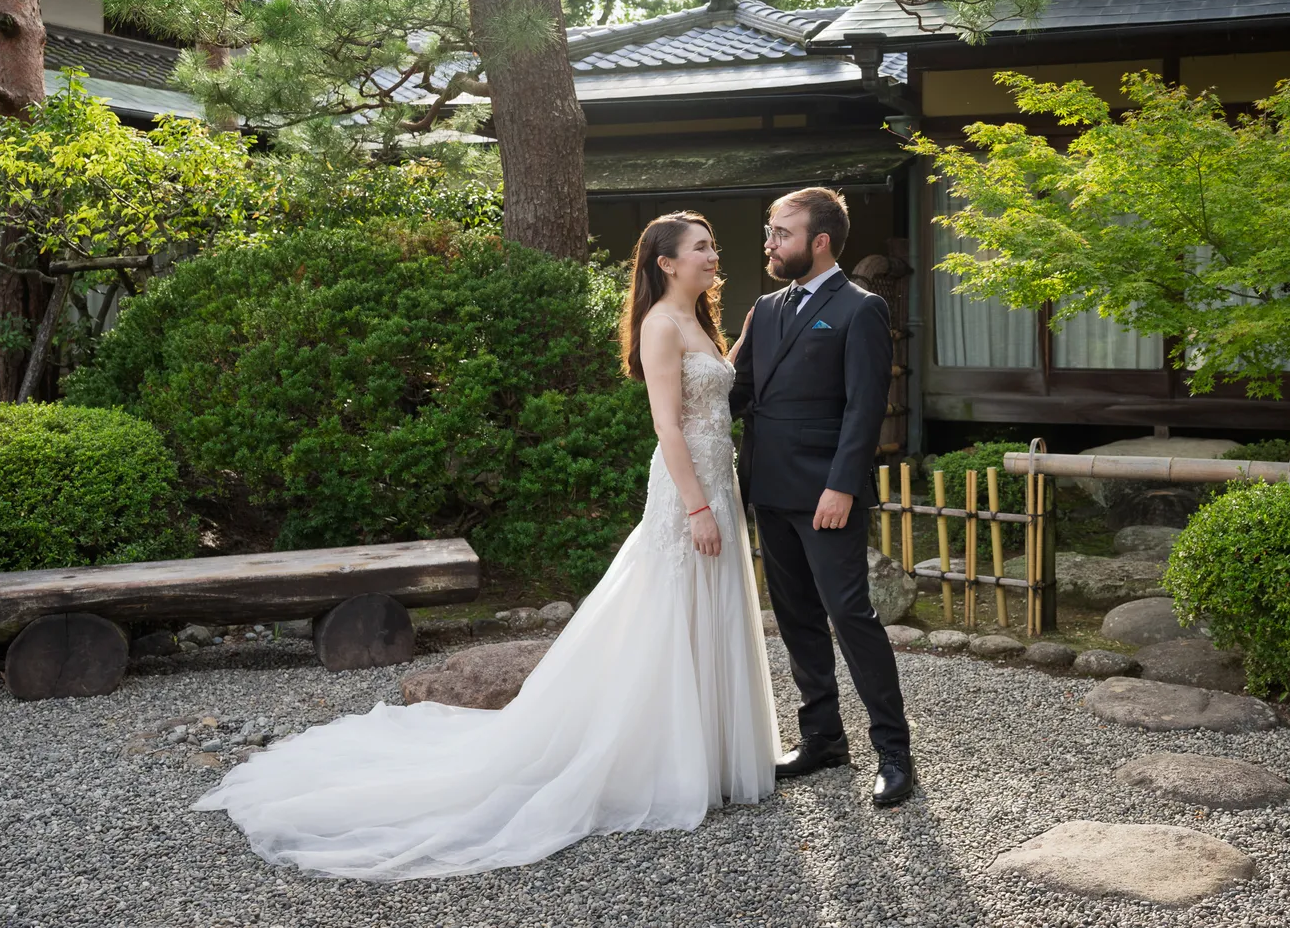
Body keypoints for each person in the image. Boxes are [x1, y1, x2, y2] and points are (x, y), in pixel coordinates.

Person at [191, 212, 778, 880]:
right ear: (666, 263)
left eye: (711, 244)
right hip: (689, 491)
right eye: (701, 246)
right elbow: (668, 425)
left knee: (709, 613)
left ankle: (712, 754)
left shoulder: (703, 321)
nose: (713, 254)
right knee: (669, 615)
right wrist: (698, 507)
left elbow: (713, 395)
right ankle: (663, 762)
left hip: (719, 483)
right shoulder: (660, 325)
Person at [730, 187, 916, 807]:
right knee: (796, 619)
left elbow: (867, 408)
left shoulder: (860, 308)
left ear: (820, 242)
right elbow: (740, 392)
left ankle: (894, 751)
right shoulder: (765, 307)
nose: (769, 242)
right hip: (770, 487)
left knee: (850, 615)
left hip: (826, 490)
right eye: (769, 231)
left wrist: (841, 486)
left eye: (781, 233)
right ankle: (822, 738)